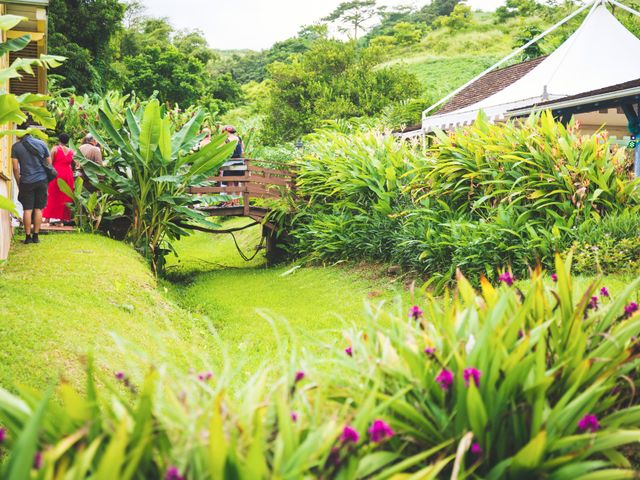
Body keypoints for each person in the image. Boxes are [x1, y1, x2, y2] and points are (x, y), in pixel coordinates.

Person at [11, 122, 51, 244]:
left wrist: (19, 182)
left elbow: (15, 168)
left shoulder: (16, 147)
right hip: (41, 180)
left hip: (26, 181)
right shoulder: (41, 143)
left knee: (27, 209)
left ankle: (28, 237)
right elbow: (49, 163)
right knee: (38, 209)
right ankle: (36, 236)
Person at [42, 133, 75, 223]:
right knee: (65, 196)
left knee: (52, 195)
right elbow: (74, 164)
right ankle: (62, 220)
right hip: (68, 175)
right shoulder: (72, 151)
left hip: (56, 174)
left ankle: (47, 218)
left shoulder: (55, 149)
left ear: (59, 140)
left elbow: (50, 163)